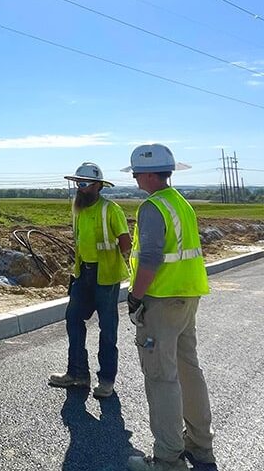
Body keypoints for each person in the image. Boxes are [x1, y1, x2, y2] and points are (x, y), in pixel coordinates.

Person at [123, 144, 217, 471]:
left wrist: (135, 296)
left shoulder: (152, 207)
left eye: (136, 172)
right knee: (189, 370)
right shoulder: (181, 204)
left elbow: (149, 258)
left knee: (161, 378)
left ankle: (167, 459)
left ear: (149, 174)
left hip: (161, 302)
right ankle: (200, 446)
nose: (134, 177)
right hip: (187, 297)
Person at [49, 162, 131, 399]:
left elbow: (125, 244)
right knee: (73, 319)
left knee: (108, 329)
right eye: (77, 183)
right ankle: (77, 373)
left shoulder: (110, 210)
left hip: (106, 277)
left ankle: (106, 380)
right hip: (83, 274)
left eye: (83, 184)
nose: (79, 188)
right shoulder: (78, 209)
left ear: (97, 186)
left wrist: (110, 259)